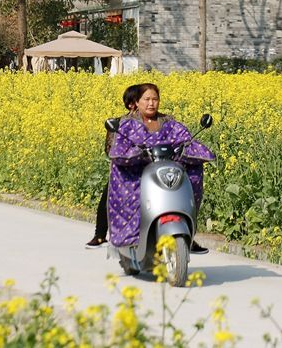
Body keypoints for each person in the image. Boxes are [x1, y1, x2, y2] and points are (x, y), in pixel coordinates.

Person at [107, 83, 215, 254]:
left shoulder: (169, 123)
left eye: (155, 99)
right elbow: (118, 149)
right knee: (128, 192)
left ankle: (187, 232)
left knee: (189, 177)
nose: (151, 103)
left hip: (165, 170)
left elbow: (185, 140)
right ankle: (131, 238)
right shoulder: (127, 125)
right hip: (138, 171)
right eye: (147, 99)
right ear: (137, 101)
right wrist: (135, 153)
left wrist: (189, 150)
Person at [86, 84, 140, 249]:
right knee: (108, 195)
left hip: (153, 168)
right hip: (127, 169)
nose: (150, 103)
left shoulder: (159, 121)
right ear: (131, 104)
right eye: (143, 100)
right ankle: (100, 235)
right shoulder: (118, 124)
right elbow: (110, 149)